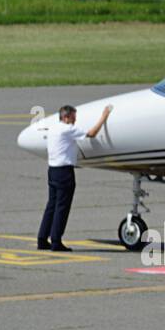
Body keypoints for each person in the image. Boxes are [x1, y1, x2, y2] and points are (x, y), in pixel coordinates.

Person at [38, 103, 111, 252]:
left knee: (51, 205)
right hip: (64, 172)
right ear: (66, 117)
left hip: (52, 170)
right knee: (62, 207)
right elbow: (91, 134)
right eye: (73, 118)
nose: (74, 121)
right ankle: (56, 241)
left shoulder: (54, 127)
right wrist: (104, 116)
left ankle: (42, 239)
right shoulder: (67, 129)